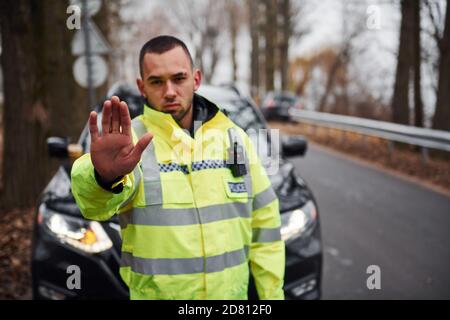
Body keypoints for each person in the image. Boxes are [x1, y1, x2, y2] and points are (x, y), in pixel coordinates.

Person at [71, 35, 285, 300]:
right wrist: (103, 177)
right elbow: (94, 207)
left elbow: (265, 223)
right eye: (157, 81)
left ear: (196, 79)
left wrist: (272, 296)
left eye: (179, 78)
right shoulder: (131, 143)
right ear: (142, 86)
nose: (169, 91)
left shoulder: (234, 137)